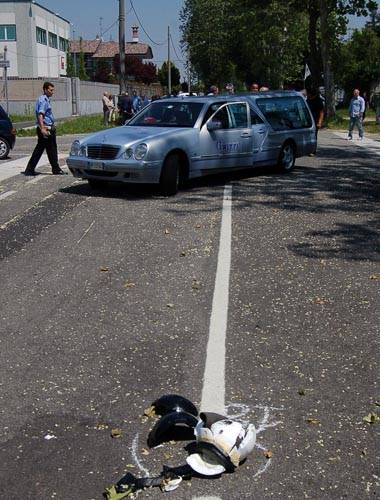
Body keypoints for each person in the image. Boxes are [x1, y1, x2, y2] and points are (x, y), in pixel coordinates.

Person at [23, 82, 65, 176]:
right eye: (50, 90)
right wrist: (42, 128)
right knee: (49, 149)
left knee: (46, 149)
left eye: (53, 90)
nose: (52, 92)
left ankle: (53, 168)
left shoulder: (44, 99)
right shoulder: (43, 100)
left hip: (47, 127)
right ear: (45, 89)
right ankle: (54, 169)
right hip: (46, 128)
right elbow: (40, 115)